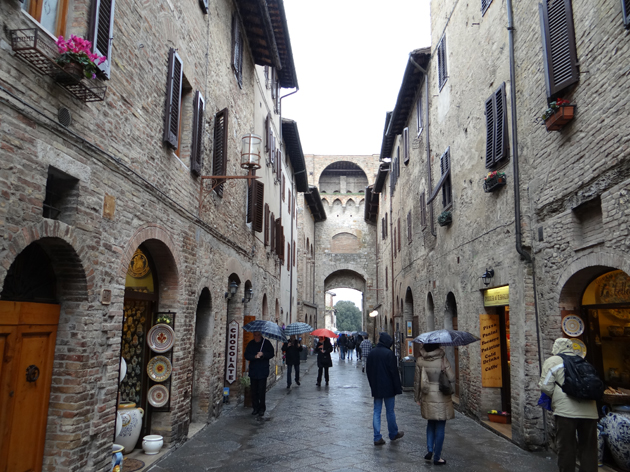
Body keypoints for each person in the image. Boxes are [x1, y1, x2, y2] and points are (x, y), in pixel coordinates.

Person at [539, 338, 598, 472]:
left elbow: (545, 387)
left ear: (556, 347)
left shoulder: (553, 361)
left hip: (566, 412)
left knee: (566, 446)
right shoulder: (583, 361)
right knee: (589, 448)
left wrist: (556, 398)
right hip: (590, 411)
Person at [414, 343, 455, 465]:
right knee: (441, 425)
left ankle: (430, 449)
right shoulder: (442, 359)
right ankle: (437, 457)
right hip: (442, 396)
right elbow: (452, 377)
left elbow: (417, 382)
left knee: (430, 423)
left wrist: (417, 397)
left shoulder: (420, 360)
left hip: (427, 395)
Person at [366, 332, 404, 446]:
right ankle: (393, 433)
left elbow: (368, 371)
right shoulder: (389, 354)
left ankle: (377, 437)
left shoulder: (372, 353)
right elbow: (394, 372)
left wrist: (372, 384)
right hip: (389, 387)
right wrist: (397, 387)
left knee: (376, 411)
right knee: (390, 411)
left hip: (377, 386)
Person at [244, 331, 275, 417]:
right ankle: (255, 408)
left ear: (261, 335)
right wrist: (254, 357)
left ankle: (262, 408)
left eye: (258, 335)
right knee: (254, 391)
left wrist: (263, 354)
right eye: (255, 335)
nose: (256, 337)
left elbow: (272, 353)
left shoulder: (266, 343)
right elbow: (246, 355)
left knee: (261, 391)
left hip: (262, 371)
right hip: (254, 371)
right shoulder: (250, 344)